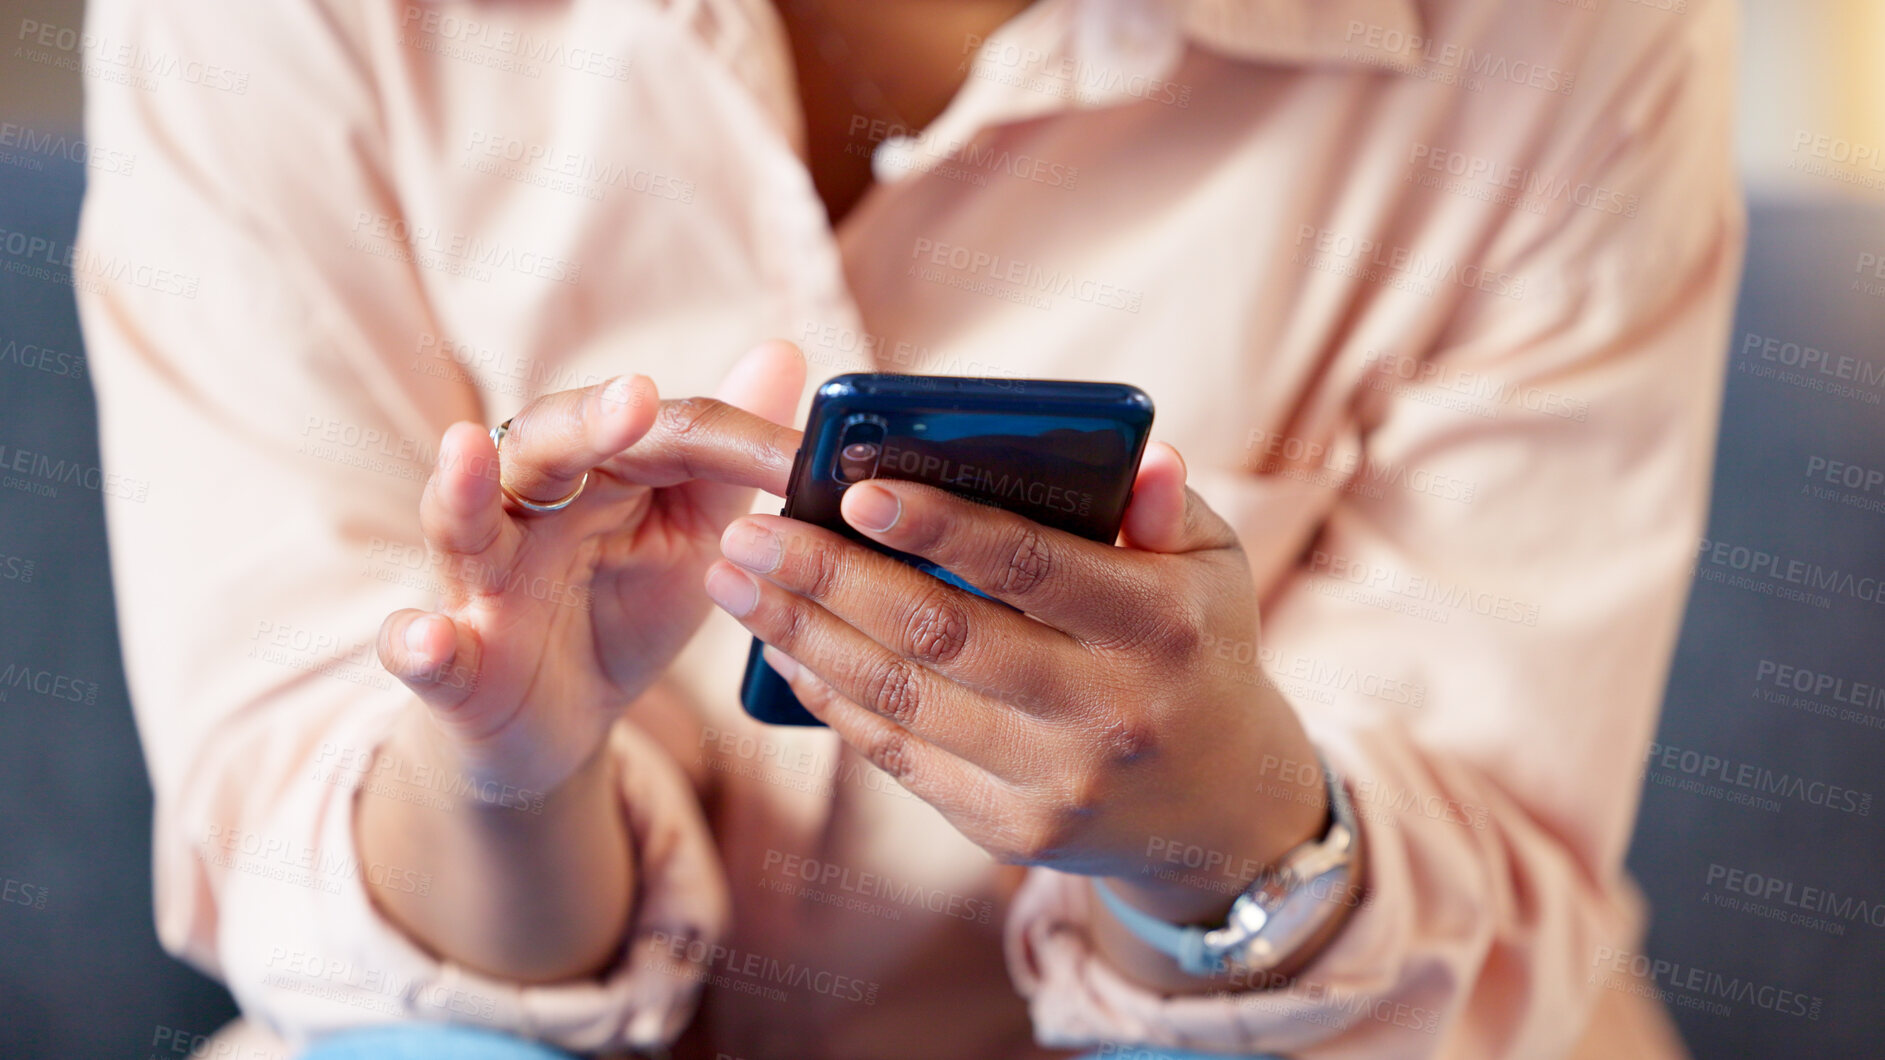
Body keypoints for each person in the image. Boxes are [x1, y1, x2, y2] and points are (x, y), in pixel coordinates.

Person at [76, 0, 1743, 1057]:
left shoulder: (1570, 43)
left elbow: (1488, 897)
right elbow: (296, 859)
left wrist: (1221, 832)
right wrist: (505, 778)